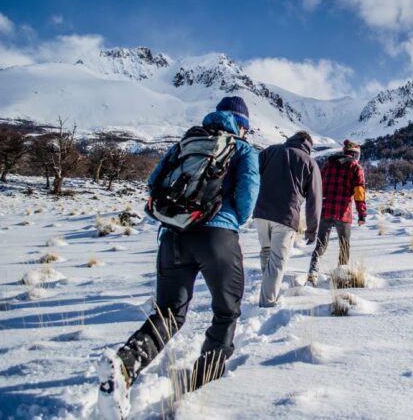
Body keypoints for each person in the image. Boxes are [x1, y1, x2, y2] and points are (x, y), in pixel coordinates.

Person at [97, 96, 260, 420]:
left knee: (169, 313)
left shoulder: (186, 142)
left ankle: (126, 365)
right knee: (226, 311)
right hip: (217, 236)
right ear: (242, 125)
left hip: (173, 236)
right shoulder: (242, 149)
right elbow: (247, 197)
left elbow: (153, 183)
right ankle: (202, 384)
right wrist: (230, 219)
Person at [253, 131, 322, 308]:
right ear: (309, 146)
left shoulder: (269, 151)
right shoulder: (309, 162)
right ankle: (267, 304)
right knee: (277, 261)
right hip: (285, 216)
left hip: (261, 213)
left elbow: (252, 175)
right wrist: (312, 230)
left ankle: (266, 292)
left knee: (266, 252)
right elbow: (314, 201)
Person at [307, 139, 367, 286]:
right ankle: (341, 276)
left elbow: (318, 185)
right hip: (343, 212)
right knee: (344, 245)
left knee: (321, 244)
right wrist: (361, 214)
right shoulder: (356, 168)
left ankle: (313, 272)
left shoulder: (328, 165)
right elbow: (359, 193)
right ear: (355, 154)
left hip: (325, 209)